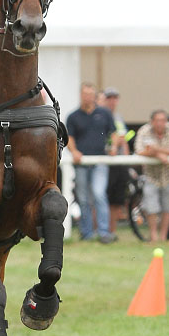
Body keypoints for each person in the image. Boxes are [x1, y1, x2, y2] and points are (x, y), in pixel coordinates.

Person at [66, 82, 117, 243]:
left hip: (100, 160)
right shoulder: (73, 116)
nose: (88, 97)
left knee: (98, 193)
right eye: (85, 94)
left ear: (95, 96)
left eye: (90, 94)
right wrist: (74, 151)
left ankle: (103, 232)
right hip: (81, 163)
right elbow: (69, 138)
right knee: (83, 198)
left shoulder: (104, 113)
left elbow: (114, 132)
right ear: (80, 95)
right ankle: (86, 232)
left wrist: (114, 147)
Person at [134, 110, 169, 243]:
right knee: (151, 206)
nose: (160, 123)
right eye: (157, 120)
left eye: (163, 120)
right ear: (152, 121)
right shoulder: (144, 131)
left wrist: (154, 150)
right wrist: (159, 154)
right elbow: (139, 150)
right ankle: (153, 236)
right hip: (151, 174)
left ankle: (163, 236)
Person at [102, 86, 131, 235]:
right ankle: (101, 230)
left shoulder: (119, 118)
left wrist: (126, 160)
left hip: (119, 162)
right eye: (109, 98)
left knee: (116, 199)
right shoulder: (100, 116)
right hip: (105, 161)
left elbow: (124, 140)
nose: (112, 101)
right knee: (102, 197)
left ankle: (111, 231)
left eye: (115, 98)